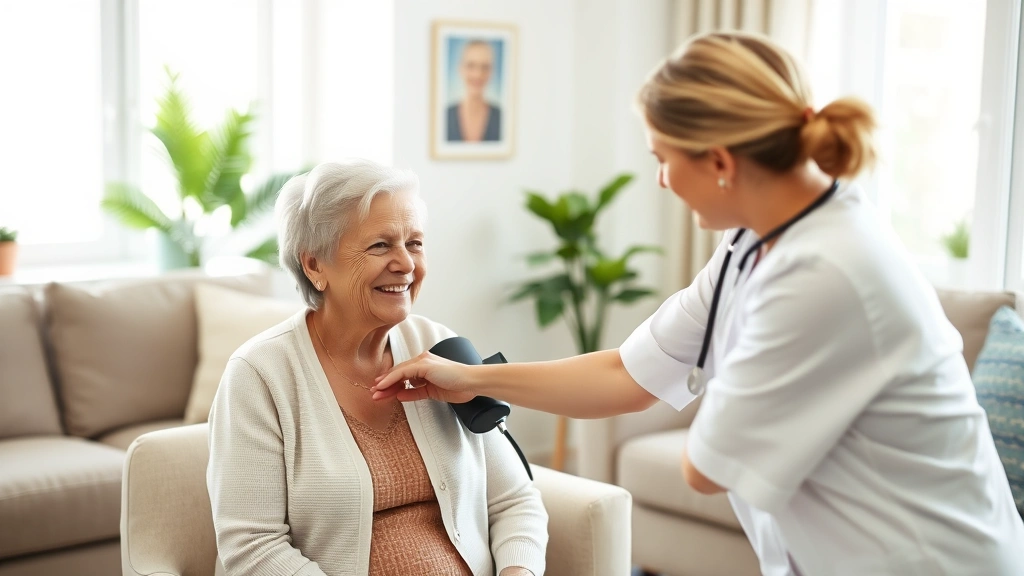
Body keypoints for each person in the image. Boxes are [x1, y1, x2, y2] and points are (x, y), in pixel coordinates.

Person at [374, 32, 1024, 575]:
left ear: (718, 161)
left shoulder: (826, 270)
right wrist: (468, 380)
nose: (660, 178)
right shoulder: (754, 243)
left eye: (662, 157)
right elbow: (628, 374)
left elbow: (706, 468)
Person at [207, 159, 547, 576]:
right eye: (380, 246)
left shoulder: (439, 346)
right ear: (314, 265)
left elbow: (515, 499)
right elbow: (252, 546)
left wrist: (518, 571)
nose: (406, 263)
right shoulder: (260, 374)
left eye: (415, 243)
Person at [447, 39, 502, 142]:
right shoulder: (445, 116)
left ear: (492, 71)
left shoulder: (502, 118)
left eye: (485, 67)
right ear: (460, 68)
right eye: (471, 65)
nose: (477, 74)